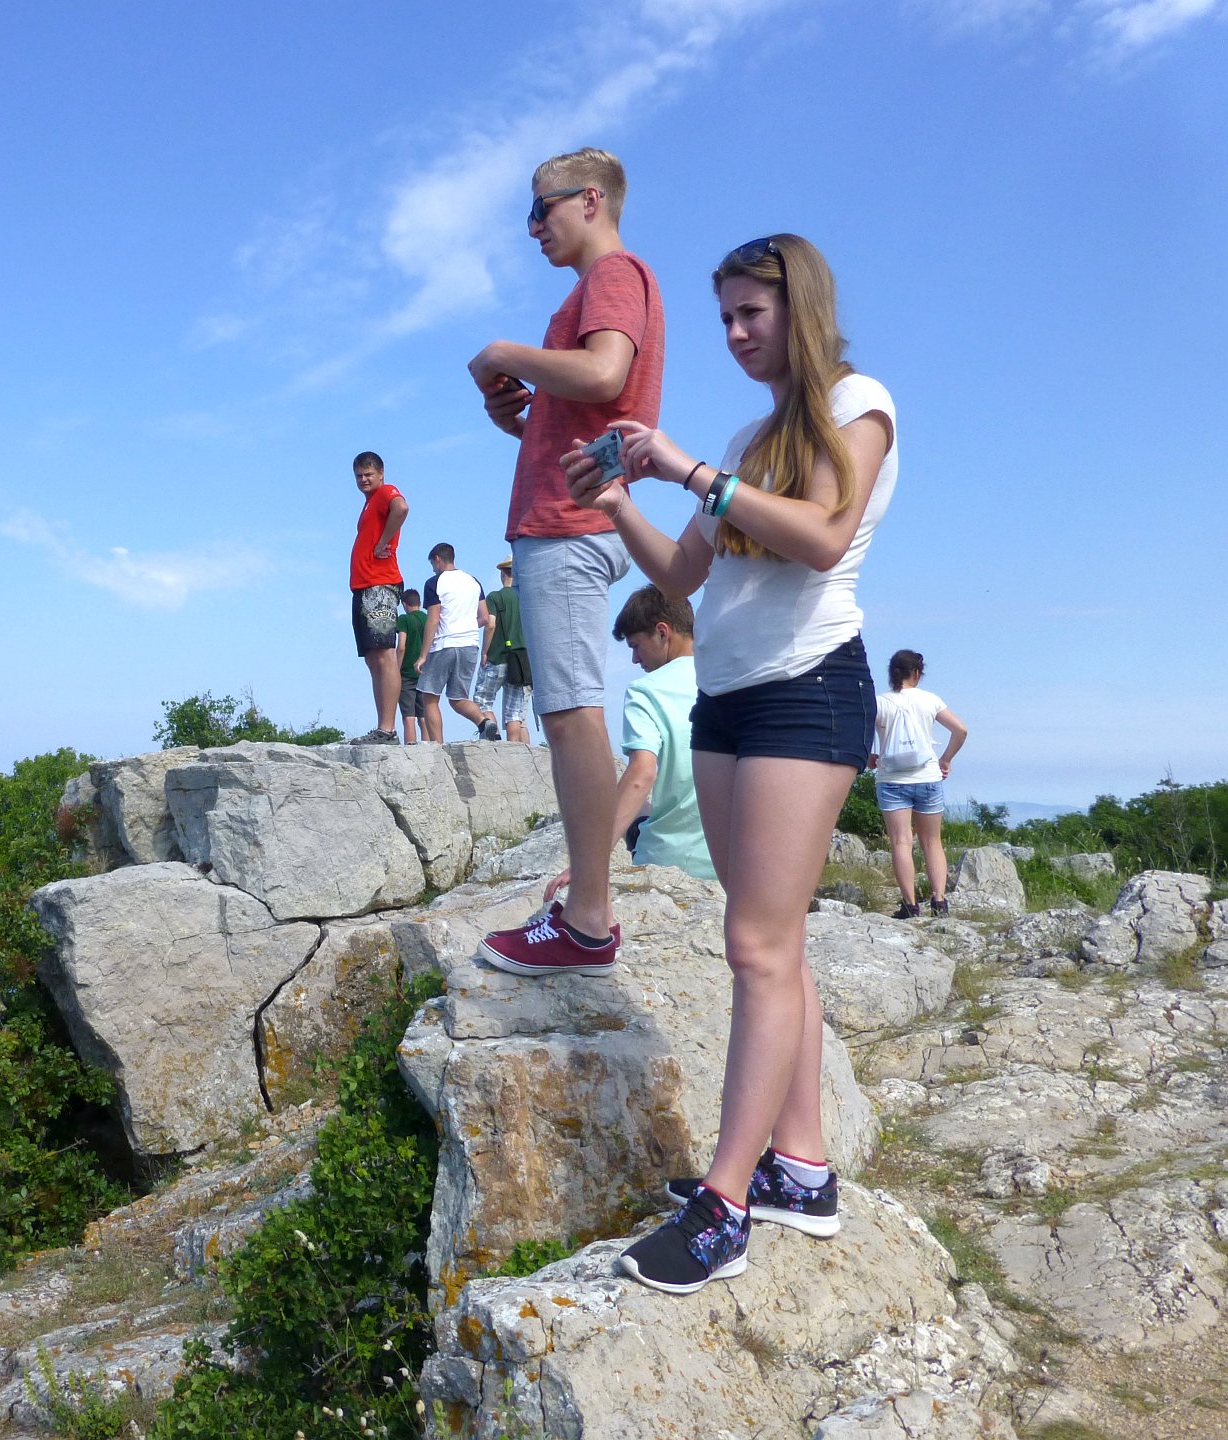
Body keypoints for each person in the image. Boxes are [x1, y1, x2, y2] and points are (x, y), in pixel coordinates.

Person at [562, 233, 897, 1295]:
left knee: (756, 945)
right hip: (727, 700)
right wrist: (619, 500)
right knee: (769, 944)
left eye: (751, 313)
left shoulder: (859, 405)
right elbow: (682, 571)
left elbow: (822, 536)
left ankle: (724, 1203)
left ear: (800, 308)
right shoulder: (751, 437)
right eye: (724, 318)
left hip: (809, 691)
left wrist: (690, 470)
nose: (735, 334)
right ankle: (802, 1170)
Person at [467, 146, 663, 974]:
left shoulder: (613, 274)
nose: (532, 227)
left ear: (590, 200)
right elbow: (587, 401)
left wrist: (505, 353)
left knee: (572, 711)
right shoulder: (600, 286)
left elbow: (605, 371)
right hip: (571, 519)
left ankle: (586, 924)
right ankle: (585, 905)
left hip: (569, 526)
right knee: (566, 707)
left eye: (540, 208)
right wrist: (519, 413)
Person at [610, 586, 716, 880]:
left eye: (635, 645)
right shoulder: (729, 679)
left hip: (669, 859)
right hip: (732, 861)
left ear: (661, 632)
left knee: (625, 799)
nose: (635, 659)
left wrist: (591, 859)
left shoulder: (646, 691)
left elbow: (642, 774)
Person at [871, 649, 968, 918]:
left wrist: (869, 756)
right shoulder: (930, 700)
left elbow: (857, 732)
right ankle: (939, 902)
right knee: (932, 842)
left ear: (891, 673)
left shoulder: (880, 703)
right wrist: (945, 759)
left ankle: (910, 905)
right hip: (928, 777)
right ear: (917, 673)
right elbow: (960, 730)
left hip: (891, 779)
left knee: (901, 842)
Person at [347, 451, 408, 745]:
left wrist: (384, 541)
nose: (363, 479)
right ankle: (382, 726)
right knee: (373, 658)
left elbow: (401, 507)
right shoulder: (370, 502)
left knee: (384, 654)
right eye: (359, 475)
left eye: (368, 474)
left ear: (381, 473)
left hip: (379, 584)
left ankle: (388, 728)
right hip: (364, 585)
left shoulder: (385, 493)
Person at [416, 543, 492, 743]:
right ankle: (484, 722)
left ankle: (438, 746)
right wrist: (466, 625)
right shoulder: (473, 581)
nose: (433, 569)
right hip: (470, 645)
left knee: (429, 697)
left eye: (433, 564)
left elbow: (433, 620)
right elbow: (485, 618)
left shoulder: (434, 583)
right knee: (458, 699)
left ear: (437, 559)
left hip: (444, 644)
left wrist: (423, 656)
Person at [474, 559, 532, 743]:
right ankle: (513, 749)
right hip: (521, 660)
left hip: (498, 656)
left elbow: (490, 624)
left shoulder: (495, 597)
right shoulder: (526, 599)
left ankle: (494, 740)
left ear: (502, 574)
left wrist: (485, 652)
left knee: (482, 700)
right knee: (514, 711)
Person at [395, 589, 428, 744]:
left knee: (408, 716)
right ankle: (428, 746)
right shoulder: (428, 619)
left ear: (404, 604)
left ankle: (411, 747)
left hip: (407, 673)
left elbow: (401, 646)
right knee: (423, 716)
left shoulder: (404, 619)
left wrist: (396, 669)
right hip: (425, 672)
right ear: (419, 603)